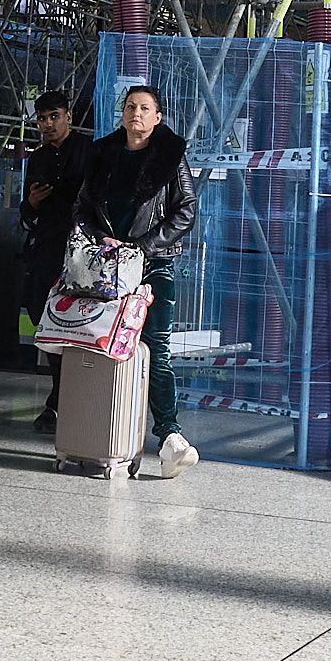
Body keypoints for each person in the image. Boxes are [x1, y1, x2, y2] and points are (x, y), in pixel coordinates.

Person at [76, 82, 201, 480]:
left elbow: (186, 211)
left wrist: (144, 247)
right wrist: (100, 243)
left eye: (145, 108)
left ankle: (169, 437)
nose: (137, 114)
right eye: (131, 107)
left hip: (153, 264)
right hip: (106, 266)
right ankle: (99, 434)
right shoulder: (103, 154)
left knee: (155, 348)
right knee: (100, 347)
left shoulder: (170, 156)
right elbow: (83, 207)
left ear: (158, 116)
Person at [17, 89, 90, 390]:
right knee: (40, 310)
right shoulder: (38, 159)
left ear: (68, 117)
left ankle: (68, 392)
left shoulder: (88, 151)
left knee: (78, 319)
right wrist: (32, 203)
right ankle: (58, 388)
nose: (48, 124)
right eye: (42, 119)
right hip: (48, 246)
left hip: (81, 248)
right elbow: (25, 211)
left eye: (54, 117)